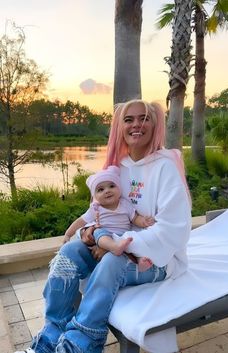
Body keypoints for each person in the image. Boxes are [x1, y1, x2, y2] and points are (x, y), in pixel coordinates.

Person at [15, 99, 192, 353]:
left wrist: (114, 247)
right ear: (119, 127)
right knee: (68, 254)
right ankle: (50, 337)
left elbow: (173, 230)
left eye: (144, 118)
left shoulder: (165, 168)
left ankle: (81, 344)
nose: (136, 125)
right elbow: (95, 216)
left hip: (156, 260)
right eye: (128, 120)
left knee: (112, 262)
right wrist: (86, 235)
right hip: (109, 243)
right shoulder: (116, 168)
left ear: (155, 125)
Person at [63, 165, 155, 271]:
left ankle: (140, 262)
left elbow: (135, 218)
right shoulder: (96, 208)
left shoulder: (125, 204)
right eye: (100, 189)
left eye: (111, 186)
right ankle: (114, 247)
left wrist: (144, 222)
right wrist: (68, 234)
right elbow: (81, 221)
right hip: (104, 237)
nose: (107, 191)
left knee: (134, 243)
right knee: (98, 232)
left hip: (122, 238)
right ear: (94, 196)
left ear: (119, 189)